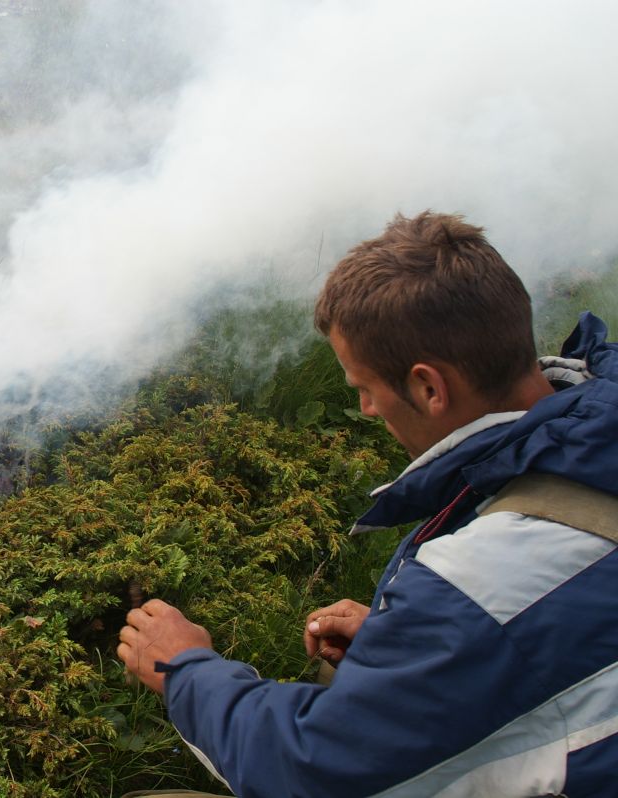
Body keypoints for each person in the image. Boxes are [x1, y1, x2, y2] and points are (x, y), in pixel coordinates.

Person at [118, 211, 618, 797]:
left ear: (430, 388)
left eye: (364, 389)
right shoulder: (590, 440)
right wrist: (411, 639)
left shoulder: (476, 586)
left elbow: (311, 772)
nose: (366, 412)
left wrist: (184, 670)